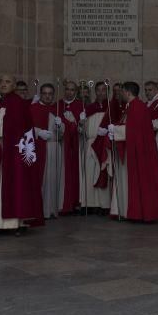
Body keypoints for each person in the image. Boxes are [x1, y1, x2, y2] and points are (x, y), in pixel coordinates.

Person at [0, 74, 43, 235]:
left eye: (7, 82)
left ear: (14, 86)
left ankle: (12, 223)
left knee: (12, 186)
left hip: (13, 154)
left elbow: (17, 130)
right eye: (1, 81)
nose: (3, 84)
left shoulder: (17, 104)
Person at [107, 82, 158, 222]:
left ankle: (136, 212)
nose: (120, 94)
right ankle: (126, 210)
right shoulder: (132, 107)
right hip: (131, 150)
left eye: (122, 92)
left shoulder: (138, 108)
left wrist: (115, 131)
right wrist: (115, 129)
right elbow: (129, 126)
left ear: (128, 92)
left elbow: (134, 131)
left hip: (138, 152)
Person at [30, 83, 64, 218]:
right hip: (40, 148)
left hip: (55, 148)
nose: (48, 96)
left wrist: (60, 125)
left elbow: (62, 134)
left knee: (54, 179)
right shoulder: (33, 108)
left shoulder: (57, 109)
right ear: (41, 94)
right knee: (43, 179)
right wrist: (39, 132)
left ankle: (52, 210)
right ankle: (41, 210)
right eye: (45, 93)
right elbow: (26, 128)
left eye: (50, 94)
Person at [80, 82, 111, 213]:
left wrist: (109, 132)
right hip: (90, 143)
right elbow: (80, 130)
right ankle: (90, 204)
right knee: (89, 172)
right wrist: (81, 122)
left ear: (107, 92)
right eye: (98, 90)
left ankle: (104, 205)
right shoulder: (88, 107)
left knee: (103, 172)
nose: (100, 92)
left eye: (103, 90)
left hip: (104, 143)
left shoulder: (110, 107)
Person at [59, 80, 84, 214]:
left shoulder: (80, 105)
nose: (69, 92)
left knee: (75, 173)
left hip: (76, 145)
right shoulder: (58, 105)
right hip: (62, 144)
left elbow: (82, 128)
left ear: (76, 92)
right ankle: (63, 203)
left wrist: (80, 124)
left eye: (72, 90)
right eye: (67, 89)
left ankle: (75, 202)